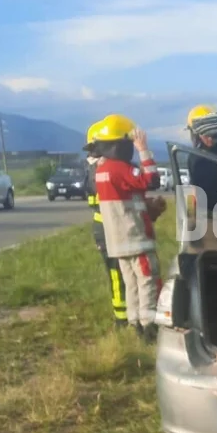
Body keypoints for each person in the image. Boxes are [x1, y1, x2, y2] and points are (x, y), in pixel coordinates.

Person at [93, 114, 162, 343]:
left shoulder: (102, 170)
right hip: (135, 238)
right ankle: (149, 328)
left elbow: (129, 194)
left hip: (118, 241)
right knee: (146, 281)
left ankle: (134, 325)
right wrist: (144, 150)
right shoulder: (118, 168)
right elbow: (151, 180)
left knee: (131, 283)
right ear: (119, 144)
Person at [84, 119, 128, 328]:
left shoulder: (96, 169)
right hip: (107, 228)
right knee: (116, 272)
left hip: (108, 226)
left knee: (120, 272)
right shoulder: (98, 171)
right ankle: (122, 318)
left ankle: (126, 314)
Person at [185, 104, 217, 211]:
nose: (209, 137)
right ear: (196, 133)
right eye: (204, 133)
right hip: (209, 213)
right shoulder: (194, 157)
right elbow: (196, 192)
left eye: (211, 131)